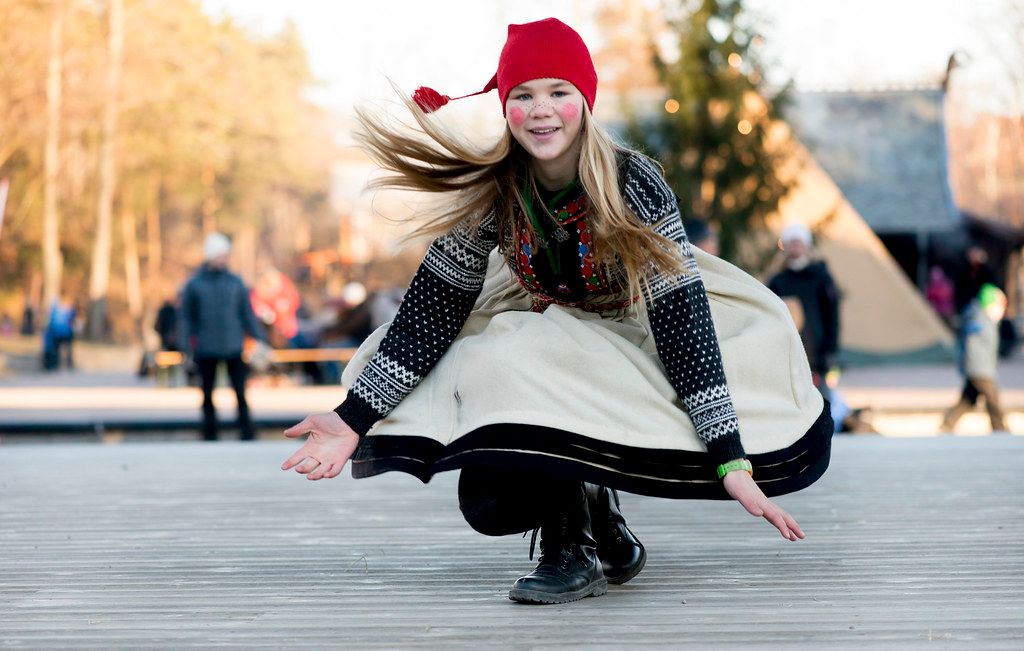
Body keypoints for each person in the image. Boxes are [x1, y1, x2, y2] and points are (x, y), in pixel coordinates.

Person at [281, 18, 831, 605]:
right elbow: (431, 311)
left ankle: (571, 547)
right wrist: (351, 418)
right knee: (489, 499)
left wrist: (731, 465)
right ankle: (594, 504)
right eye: (523, 95)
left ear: (585, 102)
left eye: (558, 92)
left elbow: (681, 322)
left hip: (635, 335)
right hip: (547, 327)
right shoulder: (495, 191)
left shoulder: (632, 182)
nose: (541, 111)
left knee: (527, 352)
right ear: (506, 107)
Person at [180, 232, 266, 441]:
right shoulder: (194, 284)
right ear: (210, 256)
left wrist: (260, 338)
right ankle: (209, 431)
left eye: (226, 254)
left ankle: (246, 429)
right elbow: (186, 318)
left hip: (233, 345)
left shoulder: (236, 282)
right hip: (206, 347)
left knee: (240, 390)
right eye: (220, 254)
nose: (224, 258)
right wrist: (185, 346)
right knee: (207, 392)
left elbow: (247, 313)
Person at [768, 223, 841, 402]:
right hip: (788, 350)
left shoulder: (820, 277)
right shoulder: (778, 281)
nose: (795, 247)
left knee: (820, 400)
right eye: (791, 243)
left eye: (799, 242)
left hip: (816, 350)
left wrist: (830, 347)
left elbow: (832, 313)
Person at [940, 284, 1008, 433]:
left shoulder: (985, 320)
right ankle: (1000, 428)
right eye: (999, 307)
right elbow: (972, 345)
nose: (1002, 312)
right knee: (993, 399)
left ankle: (947, 423)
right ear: (989, 305)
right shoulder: (979, 320)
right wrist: (975, 368)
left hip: (982, 367)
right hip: (979, 369)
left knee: (968, 399)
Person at [42, 296, 76, 371]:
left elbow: (49, 323)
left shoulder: (53, 311)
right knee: (67, 350)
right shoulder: (65, 311)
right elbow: (71, 320)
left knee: (55, 350)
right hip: (66, 333)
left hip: (57, 334)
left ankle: (55, 365)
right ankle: (69, 364)